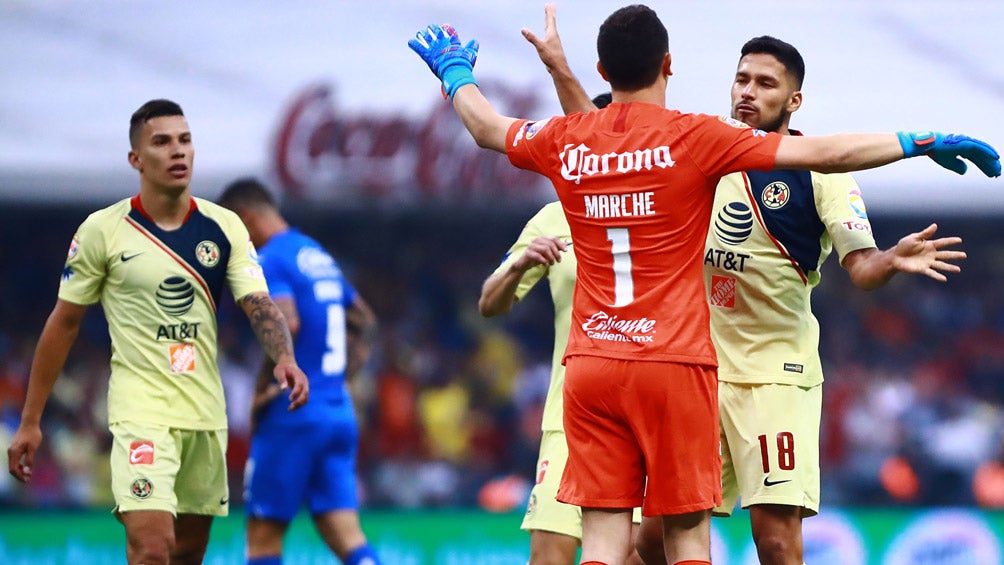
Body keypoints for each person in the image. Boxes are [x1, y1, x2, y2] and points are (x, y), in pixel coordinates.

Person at [408, 7, 998, 564]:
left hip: (599, 363)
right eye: (742, 78)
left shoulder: (574, 143)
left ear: (603, 72)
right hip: (678, 364)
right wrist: (918, 142)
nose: (747, 92)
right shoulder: (695, 140)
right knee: (683, 536)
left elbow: (490, 128)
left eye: (764, 83)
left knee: (609, 541)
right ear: (669, 65)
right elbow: (831, 149)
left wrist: (456, 72)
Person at [5, 99, 309, 565]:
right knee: (152, 547)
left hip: (205, 417)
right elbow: (63, 324)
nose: (177, 151)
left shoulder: (224, 227)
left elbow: (259, 304)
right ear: (136, 159)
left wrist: (285, 357)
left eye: (185, 141)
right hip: (140, 413)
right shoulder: (103, 231)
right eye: (162, 142)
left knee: (186, 554)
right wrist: (30, 420)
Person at [478, 97, 642, 564]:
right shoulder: (554, 217)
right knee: (548, 552)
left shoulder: (671, 208)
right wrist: (519, 265)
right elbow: (490, 303)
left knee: (629, 556)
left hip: (643, 413)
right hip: (570, 414)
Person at [217, 179, 381, 565]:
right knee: (345, 533)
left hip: (293, 412)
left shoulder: (270, 258)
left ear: (246, 219)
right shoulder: (314, 253)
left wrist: (263, 387)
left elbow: (284, 323)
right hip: (337, 411)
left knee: (262, 536)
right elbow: (365, 320)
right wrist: (341, 378)